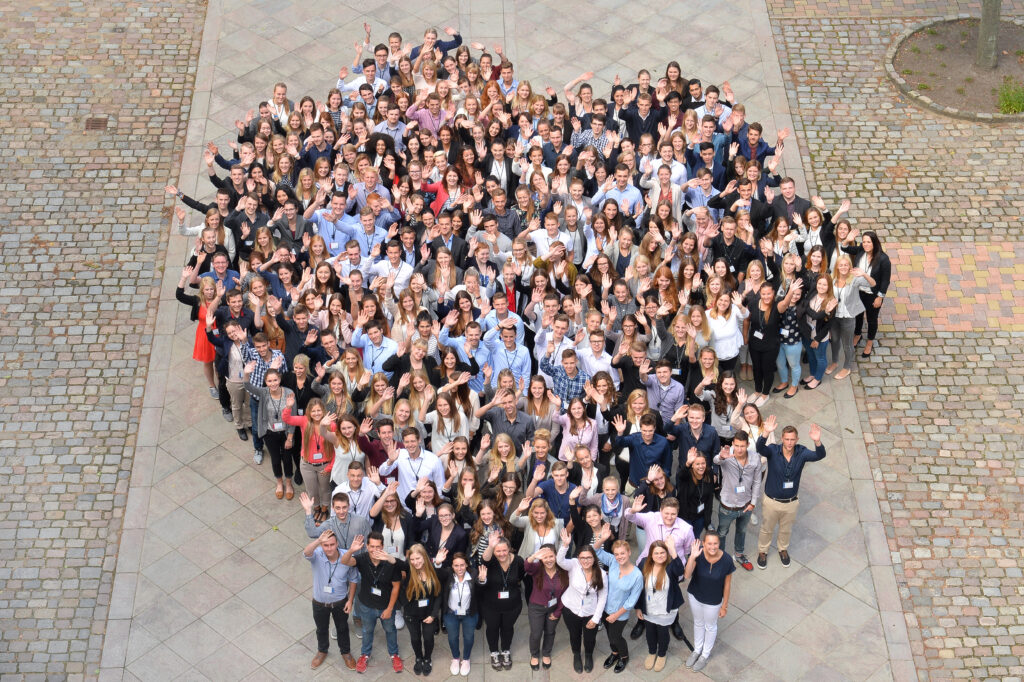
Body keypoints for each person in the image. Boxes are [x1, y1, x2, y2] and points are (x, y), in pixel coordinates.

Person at [755, 418, 826, 569]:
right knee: (767, 528)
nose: (789, 442)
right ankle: (763, 551)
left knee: (786, 529)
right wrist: (766, 432)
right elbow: (760, 448)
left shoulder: (802, 452)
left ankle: (783, 549)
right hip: (771, 501)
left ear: (797, 439)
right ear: (782, 438)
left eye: (792, 439)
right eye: (786, 439)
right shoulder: (773, 450)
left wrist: (817, 441)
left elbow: (820, 455)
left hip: (791, 502)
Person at [342, 532, 404, 673]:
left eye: (378, 546)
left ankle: (394, 655)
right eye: (372, 546)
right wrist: (351, 550)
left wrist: (389, 609)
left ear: (382, 546)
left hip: (385, 606)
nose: (375, 549)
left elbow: (396, 587)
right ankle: (365, 654)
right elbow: (345, 561)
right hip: (366, 605)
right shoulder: (362, 558)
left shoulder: (390, 562)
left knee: (390, 630)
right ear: (367, 546)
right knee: (367, 630)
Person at [304, 529, 359, 670]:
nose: (329, 548)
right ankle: (322, 651)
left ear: (337, 544)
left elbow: (353, 579)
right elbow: (306, 552)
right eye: (325, 545)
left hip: (340, 601)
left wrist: (350, 600)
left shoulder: (346, 556)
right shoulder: (317, 554)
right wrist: (318, 541)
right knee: (321, 629)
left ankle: (346, 653)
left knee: (342, 628)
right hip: (319, 602)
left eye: (332, 545)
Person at [556, 528, 608, 673]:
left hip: (590, 611)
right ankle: (577, 655)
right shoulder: (573, 565)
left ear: (594, 559)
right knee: (575, 634)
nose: (585, 561)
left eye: (589, 558)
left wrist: (597, 618)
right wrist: (565, 545)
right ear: (578, 558)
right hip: (571, 608)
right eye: (582, 558)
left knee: (590, 637)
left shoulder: (602, 574)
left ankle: (589, 655)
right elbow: (559, 561)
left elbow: (603, 596)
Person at [683, 531, 735, 672]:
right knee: (698, 623)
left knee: (710, 626)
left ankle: (704, 655)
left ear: (719, 543)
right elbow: (687, 575)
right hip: (695, 596)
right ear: (704, 544)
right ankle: (697, 650)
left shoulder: (727, 560)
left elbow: (727, 584)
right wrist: (692, 557)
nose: (712, 547)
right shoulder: (698, 554)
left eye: (715, 543)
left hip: (713, 601)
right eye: (709, 543)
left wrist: (724, 605)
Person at [594, 536, 644, 674]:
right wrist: (602, 538)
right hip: (606, 609)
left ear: (629, 552)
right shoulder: (613, 562)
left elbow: (631, 601)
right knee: (610, 635)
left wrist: (615, 615)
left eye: (622, 553)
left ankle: (624, 656)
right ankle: (614, 653)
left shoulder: (637, 576)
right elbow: (595, 550)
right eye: (616, 554)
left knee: (616, 636)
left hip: (620, 613)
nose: (619, 556)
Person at [712, 432, 761, 571]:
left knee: (742, 531)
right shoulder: (727, 455)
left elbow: (757, 482)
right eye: (737, 445)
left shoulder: (755, 458)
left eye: (742, 446)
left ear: (748, 445)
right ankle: (719, 558)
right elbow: (716, 460)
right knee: (722, 532)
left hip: (745, 505)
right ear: (733, 443)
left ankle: (739, 555)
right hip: (728, 505)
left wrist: (753, 503)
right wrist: (721, 456)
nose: (739, 449)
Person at [478, 534, 527, 671]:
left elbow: (521, 576)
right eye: (498, 551)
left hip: (512, 606)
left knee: (507, 628)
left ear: (510, 549)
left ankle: (505, 651)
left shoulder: (518, 561)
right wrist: (491, 546)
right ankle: (494, 652)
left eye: (504, 550)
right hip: (491, 606)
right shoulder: (490, 561)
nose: (501, 554)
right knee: (492, 628)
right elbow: (483, 560)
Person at [394, 544, 443, 676]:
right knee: (415, 638)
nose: (416, 562)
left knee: (428, 638)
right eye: (412, 559)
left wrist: (433, 615)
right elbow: (397, 564)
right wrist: (406, 607)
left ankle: (427, 658)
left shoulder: (433, 571)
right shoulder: (409, 571)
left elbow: (438, 595)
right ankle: (418, 657)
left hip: (428, 615)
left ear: (425, 557)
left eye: (418, 558)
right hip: (411, 615)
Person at [638, 540, 685, 671]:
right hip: (649, 607)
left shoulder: (671, 566)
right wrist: (638, 608)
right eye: (656, 553)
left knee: (663, 633)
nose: (659, 555)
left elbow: (681, 571)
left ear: (667, 553)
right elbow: (638, 588)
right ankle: (652, 652)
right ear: (651, 555)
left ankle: (662, 654)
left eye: (663, 552)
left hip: (665, 609)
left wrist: (673, 550)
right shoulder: (643, 564)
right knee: (650, 632)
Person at [523, 544, 568, 670]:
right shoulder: (537, 568)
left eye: (551, 556)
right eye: (545, 557)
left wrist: (558, 611)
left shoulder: (563, 571)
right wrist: (534, 556)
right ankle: (535, 654)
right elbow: (527, 567)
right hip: (536, 607)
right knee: (536, 633)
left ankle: (547, 653)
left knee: (550, 632)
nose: (548, 560)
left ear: (556, 556)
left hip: (554, 608)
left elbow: (566, 594)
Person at [435, 551, 479, 677]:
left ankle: (466, 659)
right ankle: (455, 658)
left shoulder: (474, 574)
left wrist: (483, 580)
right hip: (451, 614)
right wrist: (437, 563)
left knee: (469, 637)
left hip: (469, 613)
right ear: (452, 566)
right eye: (456, 565)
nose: (459, 568)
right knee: (453, 637)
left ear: (467, 565)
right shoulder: (448, 574)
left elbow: (482, 587)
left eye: (462, 565)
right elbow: (438, 574)